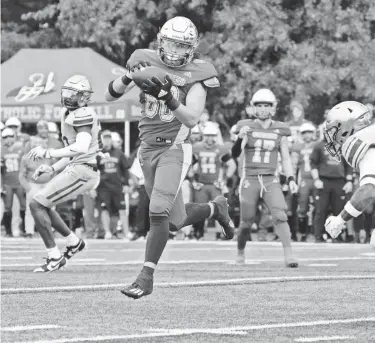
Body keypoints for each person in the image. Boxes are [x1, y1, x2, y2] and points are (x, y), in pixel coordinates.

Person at [105, 16, 234, 299]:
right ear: (160, 42)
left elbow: (191, 118)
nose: (175, 50)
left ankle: (146, 276)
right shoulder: (143, 58)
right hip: (146, 149)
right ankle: (216, 209)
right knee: (174, 221)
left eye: (182, 45)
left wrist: (167, 96)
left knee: (157, 210)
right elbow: (109, 95)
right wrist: (128, 77)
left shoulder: (199, 72)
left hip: (174, 149)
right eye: (171, 43)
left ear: (192, 47)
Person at [27, 75, 100, 272]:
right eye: (66, 92)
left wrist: (48, 153)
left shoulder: (82, 114)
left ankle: (54, 256)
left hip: (84, 170)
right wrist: (53, 167)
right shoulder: (67, 113)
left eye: (73, 94)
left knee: (36, 203)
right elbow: (71, 150)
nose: (68, 97)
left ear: (84, 97)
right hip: (76, 167)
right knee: (43, 204)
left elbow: (82, 147)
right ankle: (73, 242)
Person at [231, 89, 299, 267]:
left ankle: (289, 256)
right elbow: (235, 153)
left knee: (280, 214)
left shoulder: (281, 129)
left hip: (271, 178)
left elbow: (285, 157)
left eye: (266, 105)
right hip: (250, 178)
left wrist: (291, 178)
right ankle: (240, 251)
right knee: (246, 222)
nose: (262, 109)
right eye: (259, 105)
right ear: (253, 108)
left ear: (273, 108)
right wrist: (239, 138)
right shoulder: (246, 126)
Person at [322, 101, 375, 248]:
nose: (334, 138)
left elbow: (368, 192)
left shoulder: (367, 146)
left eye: (335, 130)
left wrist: (339, 220)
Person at [192, 124, 236, 239]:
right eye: (207, 136)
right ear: (203, 136)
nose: (210, 139)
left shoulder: (220, 149)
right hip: (201, 184)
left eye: (212, 136)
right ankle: (198, 233)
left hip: (215, 185)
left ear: (216, 136)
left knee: (220, 210)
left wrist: (224, 180)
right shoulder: (197, 147)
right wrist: (193, 180)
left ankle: (224, 233)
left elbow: (232, 166)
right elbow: (188, 165)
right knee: (199, 210)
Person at [310, 128, 353, 242]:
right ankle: (318, 236)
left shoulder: (343, 145)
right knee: (320, 209)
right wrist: (316, 179)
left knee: (339, 211)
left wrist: (349, 181)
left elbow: (348, 165)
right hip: (323, 181)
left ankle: (336, 236)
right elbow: (313, 164)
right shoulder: (319, 146)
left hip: (339, 181)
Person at [96, 130, 130, 239]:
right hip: (103, 187)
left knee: (122, 209)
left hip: (117, 186)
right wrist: (92, 187)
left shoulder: (119, 153)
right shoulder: (98, 154)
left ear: (111, 140)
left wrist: (126, 184)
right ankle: (107, 232)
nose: (107, 141)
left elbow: (125, 169)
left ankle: (126, 232)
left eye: (108, 138)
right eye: (105, 138)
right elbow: (93, 170)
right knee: (105, 209)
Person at [290, 122, 317, 241]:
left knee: (319, 207)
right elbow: (293, 165)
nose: (307, 135)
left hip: (317, 179)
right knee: (302, 207)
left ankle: (316, 232)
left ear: (313, 133)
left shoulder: (318, 145)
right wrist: (293, 181)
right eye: (304, 132)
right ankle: (302, 232)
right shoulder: (297, 147)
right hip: (304, 179)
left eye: (309, 132)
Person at [1, 128, 26, 237]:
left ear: (14, 136)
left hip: (20, 182)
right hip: (7, 183)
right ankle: (8, 231)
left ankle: (24, 230)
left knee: (24, 206)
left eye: (10, 136)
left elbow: (25, 165)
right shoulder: (1, 150)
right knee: (8, 207)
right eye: (5, 137)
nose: (8, 139)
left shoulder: (20, 148)